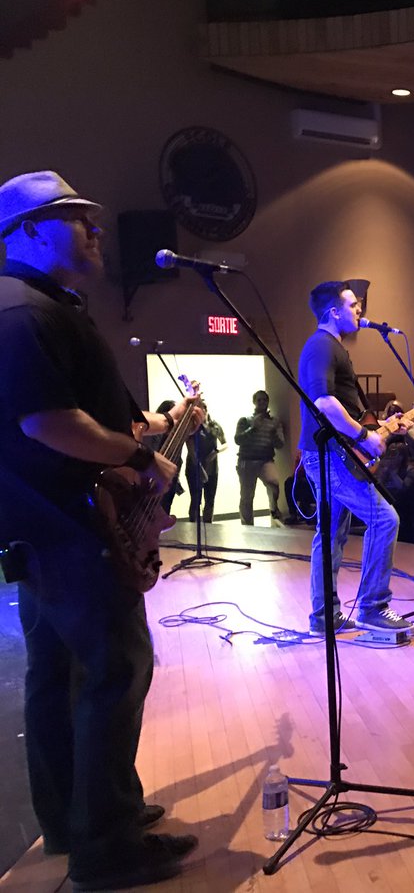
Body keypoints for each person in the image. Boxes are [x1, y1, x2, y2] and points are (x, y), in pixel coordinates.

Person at [0, 170, 201, 889]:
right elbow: (50, 424)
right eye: (74, 217)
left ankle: (76, 821)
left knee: (59, 678)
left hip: (43, 532)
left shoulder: (42, 306)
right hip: (74, 532)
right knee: (114, 673)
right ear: (25, 232)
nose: (96, 228)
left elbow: (90, 414)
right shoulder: (24, 312)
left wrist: (147, 427)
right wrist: (141, 454)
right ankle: (107, 847)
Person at [297, 281, 414, 633]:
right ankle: (373, 607)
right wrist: (364, 435)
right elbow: (323, 401)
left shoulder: (329, 347)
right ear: (334, 311)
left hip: (328, 454)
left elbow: (340, 403)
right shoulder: (322, 346)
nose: (360, 310)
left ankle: (324, 617)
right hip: (331, 456)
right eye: (354, 305)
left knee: (330, 535)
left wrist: (374, 429)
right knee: (385, 519)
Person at [234, 389, 286, 525]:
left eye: (265, 400)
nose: (262, 402)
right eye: (259, 400)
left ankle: (274, 509)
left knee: (274, 484)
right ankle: (247, 524)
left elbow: (280, 444)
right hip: (247, 461)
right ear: (254, 402)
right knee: (247, 495)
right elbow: (238, 439)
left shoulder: (274, 421)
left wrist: (274, 434)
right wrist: (253, 428)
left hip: (266, 461)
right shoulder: (245, 420)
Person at [185, 410, 225, 523]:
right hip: (195, 468)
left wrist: (216, 451)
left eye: (204, 407)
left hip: (212, 468)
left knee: (210, 500)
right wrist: (199, 468)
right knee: (196, 500)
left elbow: (225, 443)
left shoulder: (215, 425)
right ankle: (193, 528)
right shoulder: (192, 426)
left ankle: (209, 527)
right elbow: (191, 449)